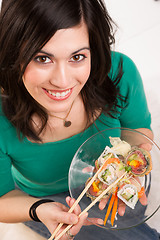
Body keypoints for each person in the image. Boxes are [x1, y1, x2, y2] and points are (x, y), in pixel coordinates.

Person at [0, 0, 159, 239]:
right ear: (14, 54)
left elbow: (138, 129)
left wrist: (128, 163)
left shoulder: (119, 72)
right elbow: (2, 200)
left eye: (77, 56)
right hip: (44, 199)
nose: (62, 81)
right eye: (42, 58)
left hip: (112, 186)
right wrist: (39, 208)